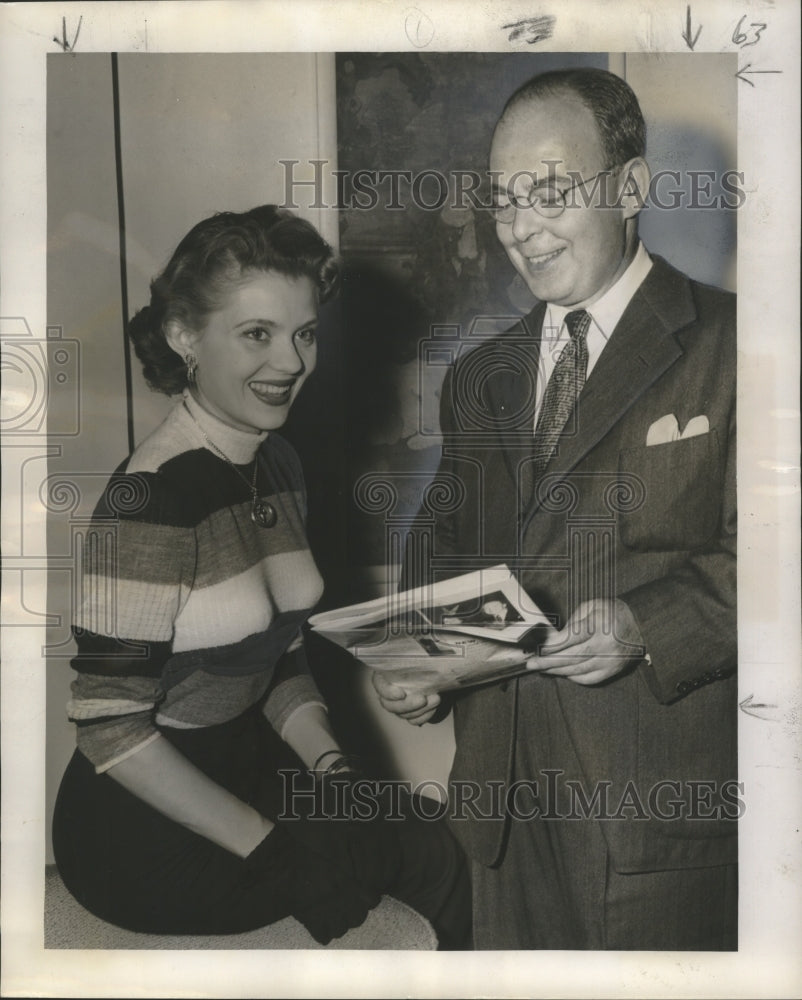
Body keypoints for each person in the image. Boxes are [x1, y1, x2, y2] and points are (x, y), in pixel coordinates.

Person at [373, 68, 737, 950]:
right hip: (495, 819)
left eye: (549, 192)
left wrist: (645, 628)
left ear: (632, 188)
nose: (521, 229)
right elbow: (447, 551)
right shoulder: (476, 376)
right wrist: (422, 660)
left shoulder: (742, 344)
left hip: (653, 821)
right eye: (503, 200)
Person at [53, 205, 471, 948]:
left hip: (251, 767)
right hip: (143, 828)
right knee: (414, 862)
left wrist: (334, 769)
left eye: (304, 333)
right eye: (256, 334)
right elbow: (108, 729)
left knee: (428, 847)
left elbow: (279, 658)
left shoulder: (277, 465)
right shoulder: (148, 502)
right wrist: (276, 850)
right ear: (185, 336)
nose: (290, 363)